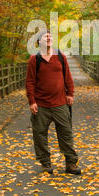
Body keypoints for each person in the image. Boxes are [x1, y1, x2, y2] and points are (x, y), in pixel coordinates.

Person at [25, 29, 81, 175]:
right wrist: (32, 101)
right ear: (39, 41)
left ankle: (71, 163)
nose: (48, 38)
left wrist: (70, 93)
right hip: (41, 105)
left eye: (50, 36)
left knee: (66, 133)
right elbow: (30, 82)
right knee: (39, 134)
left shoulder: (60, 56)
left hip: (60, 103)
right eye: (45, 36)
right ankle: (45, 163)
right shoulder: (34, 59)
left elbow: (68, 76)